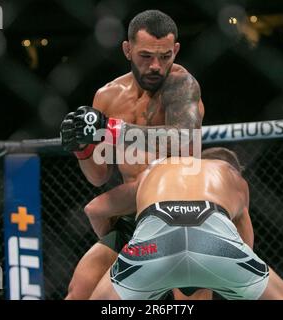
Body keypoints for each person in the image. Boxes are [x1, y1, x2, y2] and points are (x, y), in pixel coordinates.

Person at [60, 10, 208, 299]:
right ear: (127, 50)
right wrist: (82, 149)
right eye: (145, 56)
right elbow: (98, 177)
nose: (156, 66)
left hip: (183, 212)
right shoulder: (107, 96)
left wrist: (114, 129)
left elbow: (185, 137)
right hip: (135, 214)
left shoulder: (182, 85)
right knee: (79, 291)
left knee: (188, 300)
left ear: (175, 50)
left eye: (165, 56)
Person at [89, 147, 283, 300]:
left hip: (153, 241)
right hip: (213, 236)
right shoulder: (233, 178)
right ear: (234, 168)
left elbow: (94, 210)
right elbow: (246, 243)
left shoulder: (155, 170)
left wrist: (125, 250)